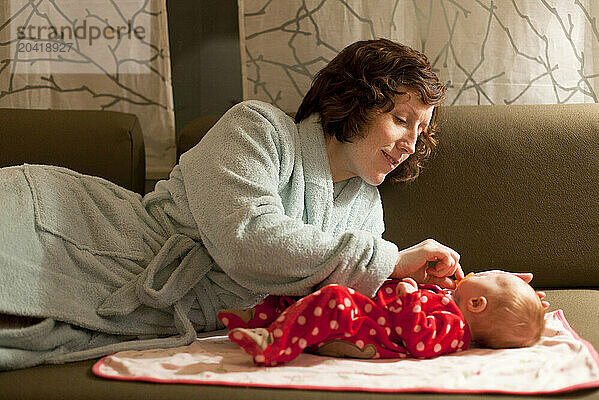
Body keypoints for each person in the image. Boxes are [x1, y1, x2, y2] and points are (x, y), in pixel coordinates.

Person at [0, 38, 545, 369]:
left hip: (164, 313)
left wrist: (421, 290)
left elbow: (347, 301)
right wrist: (388, 262)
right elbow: (247, 239)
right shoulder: (256, 128)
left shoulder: (364, 204)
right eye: (400, 119)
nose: (408, 143)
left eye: (418, 131)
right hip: (87, 231)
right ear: (355, 101)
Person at [218, 270, 550, 366]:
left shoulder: (455, 329)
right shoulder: (453, 301)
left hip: (369, 333)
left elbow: (419, 340)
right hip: (372, 313)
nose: (474, 271)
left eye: (486, 274)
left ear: (477, 304)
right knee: (308, 295)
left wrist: (408, 300)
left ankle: (275, 345)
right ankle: (255, 319)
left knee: (333, 300)